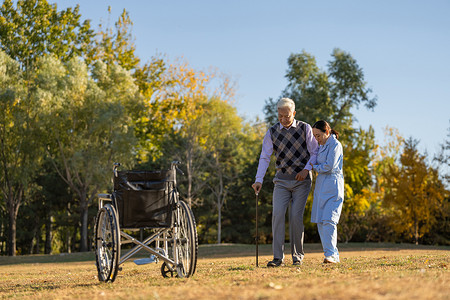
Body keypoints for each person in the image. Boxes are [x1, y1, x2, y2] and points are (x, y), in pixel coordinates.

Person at [252, 98, 318, 267]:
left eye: (286, 116)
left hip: (301, 181)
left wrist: (306, 169)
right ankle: (277, 258)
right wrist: (258, 180)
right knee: (278, 215)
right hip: (281, 181)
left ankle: (297, 256)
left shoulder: (305, 128)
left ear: (293, 113)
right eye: (280, 116)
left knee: (296, 216)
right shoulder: (272, 132)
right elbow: (265, 157)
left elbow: (315, 152)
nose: (283, 119)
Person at [310, 120, 344, 264]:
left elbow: (329, 166)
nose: (316, 139)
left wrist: (315, 167)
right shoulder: (321, 146)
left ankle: (332, 255)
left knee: (329, 220)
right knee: (320, 221)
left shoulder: (335, 145)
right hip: (321, 187)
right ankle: (330, 253)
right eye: (314, 136)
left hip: (333, 187)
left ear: (327, 132)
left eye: (318, 135)